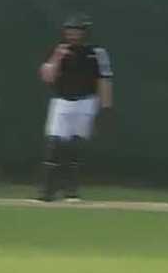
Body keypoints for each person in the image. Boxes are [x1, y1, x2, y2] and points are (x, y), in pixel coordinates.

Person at [36, 14, 114, 202]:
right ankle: (47, 191)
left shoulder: (97, 52)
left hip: (86, 102)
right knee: (53, 144)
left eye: (77, 31)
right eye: (70, 31)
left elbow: (104, 79)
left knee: (74, 146)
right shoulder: (58, 50)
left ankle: (71, 190)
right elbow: (47, 77)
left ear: (85, 33)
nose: (73, 35)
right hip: (61, 101)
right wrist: (57, 57)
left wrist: (106, 107)